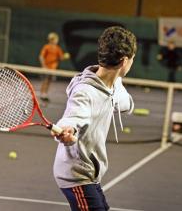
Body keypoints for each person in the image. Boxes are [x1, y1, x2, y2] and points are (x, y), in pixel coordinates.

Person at [51, 26, 136, 211]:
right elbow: (74, 115)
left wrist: (127, 104)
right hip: (76, 175)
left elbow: (124, 102)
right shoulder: (84, 91)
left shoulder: (115, 83)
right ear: (124, 61)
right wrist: (68, 129)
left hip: (90, 174)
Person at [39, 32, 69, 102]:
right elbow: (41, 56)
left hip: (53, 69)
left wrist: (64, 57)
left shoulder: (57, 48)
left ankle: (45, 94)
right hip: (46, 68)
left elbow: (60, 58)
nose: (56, 41)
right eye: (55, 39)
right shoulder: (46, 47)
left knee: (49, 81)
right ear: (51, 40)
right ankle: (42, 94)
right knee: (45, 81)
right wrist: (44, 66)